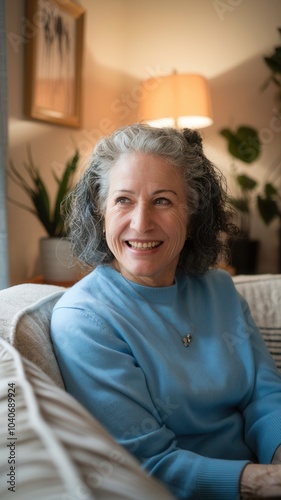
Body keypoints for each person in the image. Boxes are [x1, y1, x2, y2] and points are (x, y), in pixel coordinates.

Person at [51, 124, 281, 499]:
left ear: (192, 213)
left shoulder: (219, 289)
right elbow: (147, 463)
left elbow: (266, 395)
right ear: (100, 210)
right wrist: (265, 482)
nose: (141, 223)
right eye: (123, 200)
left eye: (162, 200)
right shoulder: (84, 320)